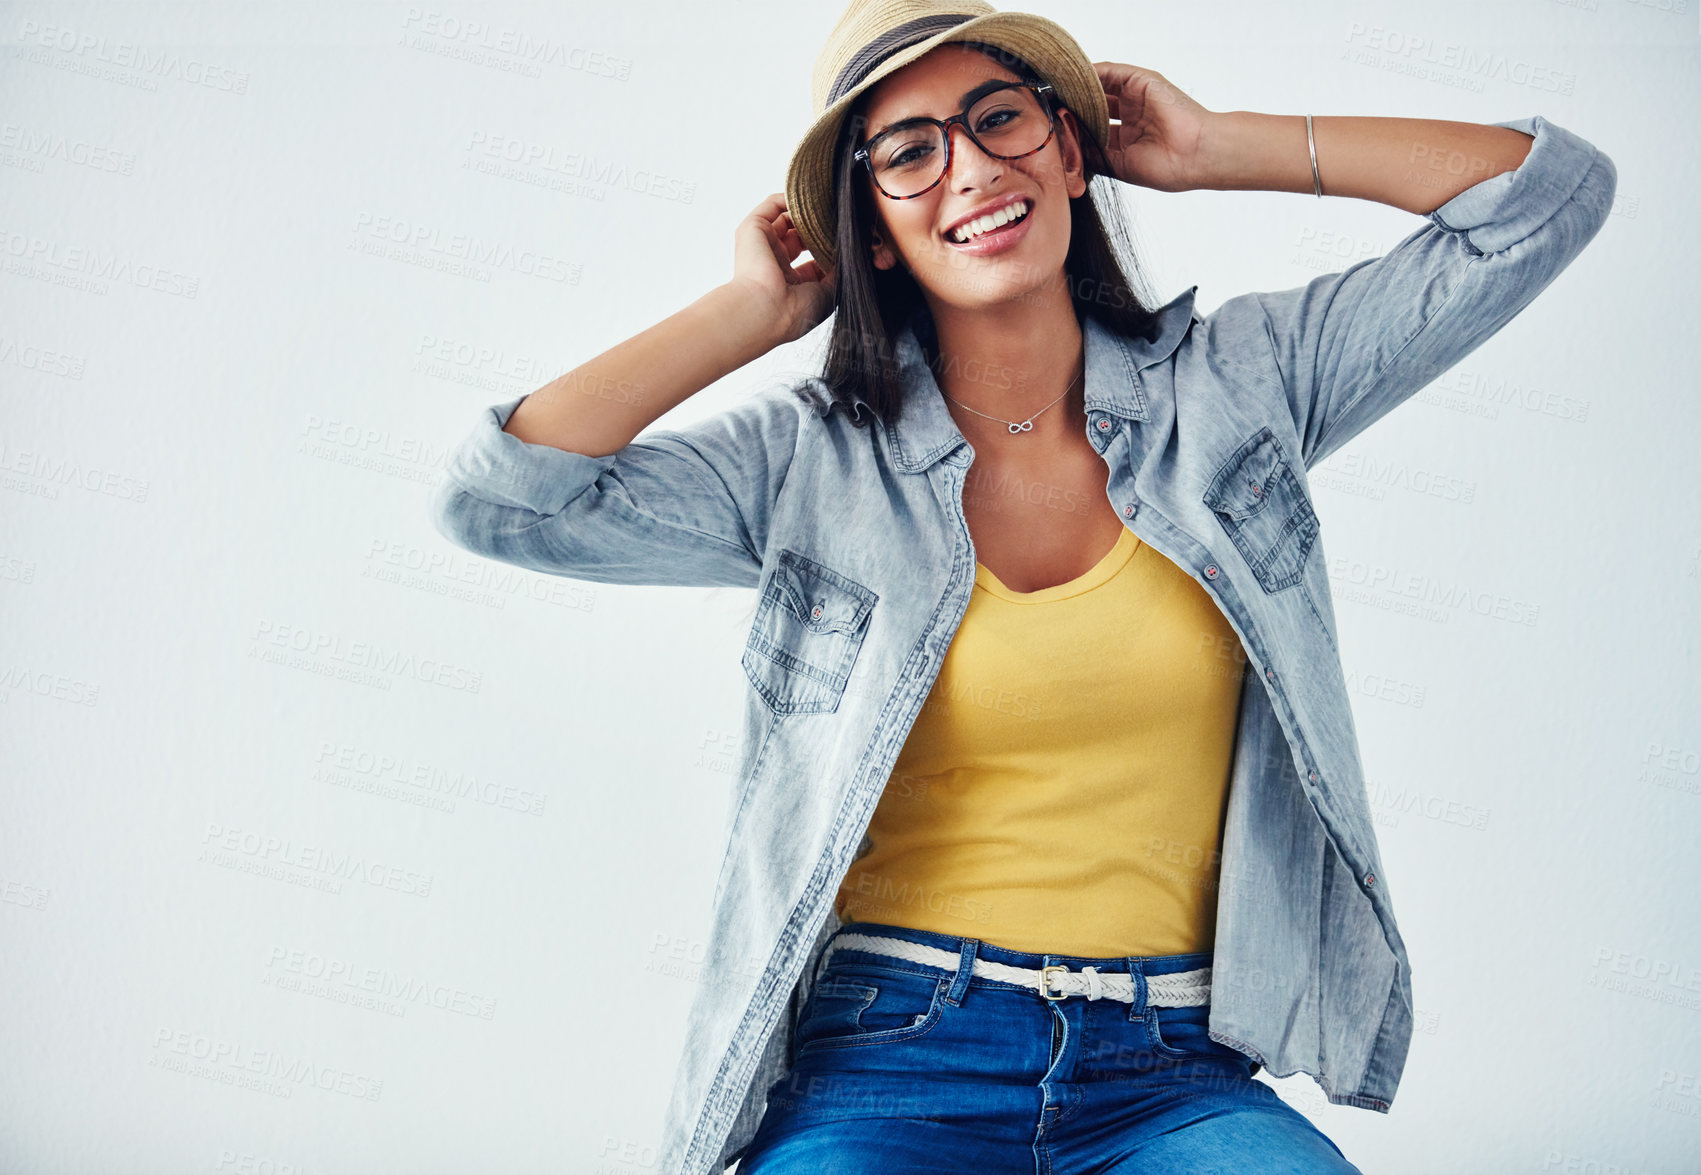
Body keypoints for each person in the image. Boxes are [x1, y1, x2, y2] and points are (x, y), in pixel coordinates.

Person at [428, 2, 1617, 1171]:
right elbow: (501, 497)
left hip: (1172, 1069)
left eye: (1000, 119)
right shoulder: (811, 462)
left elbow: (1545, 199)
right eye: (909, 151)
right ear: (874, 230)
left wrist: (1217, 148)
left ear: (1069, 150)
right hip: (889, 1055)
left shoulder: (1241, 387)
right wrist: (749, 313)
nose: (973, 168)